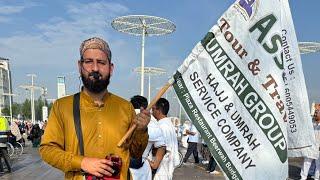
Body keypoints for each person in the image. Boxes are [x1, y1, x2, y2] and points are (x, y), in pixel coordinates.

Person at [40, 37, 150, 180]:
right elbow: (47, 150)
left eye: (101, 62)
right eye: (89, 62)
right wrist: (82, 162)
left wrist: (141, 130)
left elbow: (135, 153)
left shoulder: (125, 107)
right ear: (80, 66)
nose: (95, 68)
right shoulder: (62, 107)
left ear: (111, 68)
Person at [129, 95, 166, 180]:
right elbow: (162, 146)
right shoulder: (153, 122)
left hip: (124, 168)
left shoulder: (125, 118)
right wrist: (155, 165)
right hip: (143, 170)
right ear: (145, 107)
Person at [151, 98, 179, 180]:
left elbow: (162, 148)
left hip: (162, 166)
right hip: (167, 165)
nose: (152, 112)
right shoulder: (168, 124)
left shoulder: (161, 126)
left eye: (153, 109)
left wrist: (151, 163)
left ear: (159, 110)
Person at [300, 109, 320, 180]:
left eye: (316, 113)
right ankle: (303, 177)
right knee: (306, 162)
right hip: (310, 147)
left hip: (319, 148)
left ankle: (317, 178)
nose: (315, 114)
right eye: (315, 113)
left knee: (318, 165)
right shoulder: (311, 123)